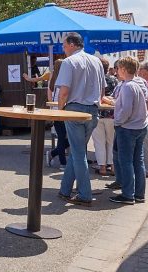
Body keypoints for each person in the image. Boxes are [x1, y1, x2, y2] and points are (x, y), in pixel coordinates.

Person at [56, 33, 106, 207]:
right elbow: (102, 93)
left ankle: (85, 194)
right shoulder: (97, 61)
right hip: (92, 110)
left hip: (74, 110)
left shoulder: (69, 62)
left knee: (78, 153)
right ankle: (65, 189)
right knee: (78, 152)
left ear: (71, 44)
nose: (63, 48)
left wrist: (59, 109)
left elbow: (63, 92)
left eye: (63, 45)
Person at [104, 57, 148, 205]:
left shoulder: (128, 86)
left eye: (118, 69)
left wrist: (118, 122)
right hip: (139, 126)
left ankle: (128, 195)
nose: (117, 72)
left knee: (126, 162)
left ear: (123, 69)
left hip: (128, 128)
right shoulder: (138, 83)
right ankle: (139, 194)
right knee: (137, 161)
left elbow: (126, 110)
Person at [91, 58, 118, 176]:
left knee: (99, 142)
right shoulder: (114, 80)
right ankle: (112, 166)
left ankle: (102, 167)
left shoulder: (94, 80)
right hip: (112, 115)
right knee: (111, 141)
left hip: (98, 114)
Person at [47, 60, 69, 168]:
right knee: (63, 137)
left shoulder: (53, 79)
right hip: (63, 110)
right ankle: (62, 162)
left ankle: (53, 153)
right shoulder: (64, 79)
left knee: (64, 137)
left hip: (56, 110)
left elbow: (49, 96)